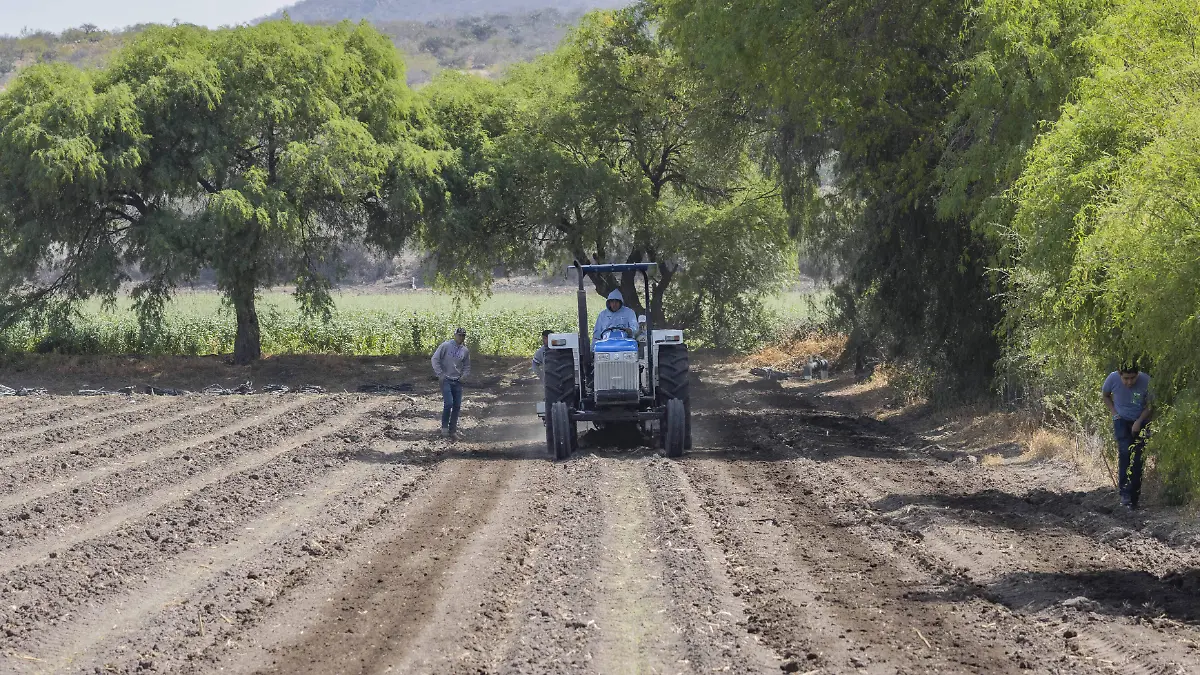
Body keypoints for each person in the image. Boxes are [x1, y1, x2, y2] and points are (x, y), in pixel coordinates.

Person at [1103, 363, 1154, 509]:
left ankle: (1134, 496)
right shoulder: (1112, 379)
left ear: (1138, 374)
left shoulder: (1146, 381)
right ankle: (1124, 494)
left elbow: (1150, 405)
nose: (1129, 382)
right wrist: (1115, 414)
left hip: (1141, 421)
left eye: (1132, 378)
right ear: (1119, 374)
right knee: (1125, 453)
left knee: (1138, 458)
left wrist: (1139, 421)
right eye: (1126, 378)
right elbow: (1105, 395)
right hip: (1121, 421)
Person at [432, 327, 471, 440]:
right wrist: (440, 374)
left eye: (463, 335)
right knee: (449, 403)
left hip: (457, 381)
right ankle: (444, 428)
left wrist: (464, 376)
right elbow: (435, 359)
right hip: (446, 380)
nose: (461, 337)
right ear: (455, 335)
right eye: (459, 335)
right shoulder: (446, 346)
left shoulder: (465, 350)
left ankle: (453, 430)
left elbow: (467, 366)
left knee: (457, 405)